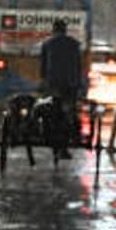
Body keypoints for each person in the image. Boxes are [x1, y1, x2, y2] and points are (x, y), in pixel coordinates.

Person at [40, 19, 82, 150]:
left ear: (54, 30)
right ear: (65, 30)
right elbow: (78, 65)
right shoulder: (74, 44)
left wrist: (43, 80)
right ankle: (73, 134)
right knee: (70, 109)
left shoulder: (47, 44)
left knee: (50, 108)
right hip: (71, 83)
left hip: (53, 83)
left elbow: (43, 66)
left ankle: (48, 133)